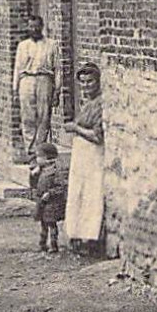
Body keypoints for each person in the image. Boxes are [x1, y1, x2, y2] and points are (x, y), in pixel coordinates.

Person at [64, 61, 106, 252]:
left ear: (98, 82)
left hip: (93, 156)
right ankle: (77, 233)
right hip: (81, 156)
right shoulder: (87, 103)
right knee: (78, 193)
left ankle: (91, 237)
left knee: (92, 194)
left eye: (90, 81)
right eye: (83, 82)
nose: (86, 86)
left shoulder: (100, 104)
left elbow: (97, 136)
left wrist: (76, 128)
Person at [12, 15, 61, 156]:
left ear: (42, 26)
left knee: (44, 116)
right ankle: (30, 150)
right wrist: (15, 89)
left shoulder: (51, 45)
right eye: (31, 26)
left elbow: (57, 68)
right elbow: (17, 68)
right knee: (28, 117)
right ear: (28, 28)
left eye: (37, 26)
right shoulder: (22, 46)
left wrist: (57, 90)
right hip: (26, 80)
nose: (34, 29)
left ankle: (40, 148)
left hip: (44, 79)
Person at [33, 141, 66, 253]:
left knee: (51, 224)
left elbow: (60, 188)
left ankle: (53, 245)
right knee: (43, 225)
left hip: (52, 204)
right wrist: (34, 174)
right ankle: (42, 244)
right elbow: (33, 184)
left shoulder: (55, 171)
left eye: (39, 156)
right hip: (42, 202)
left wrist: (50, 193)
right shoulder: (40, 170)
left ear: (47, 158)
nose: (37, 159)